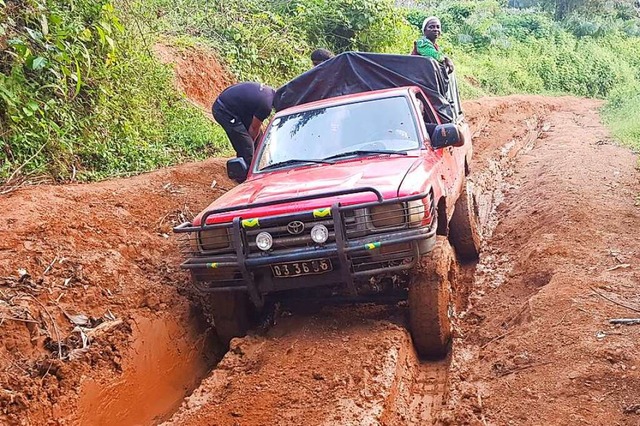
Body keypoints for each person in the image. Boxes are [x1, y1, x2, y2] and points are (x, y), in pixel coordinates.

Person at [212, 82, 275, 166]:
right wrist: (248, 144)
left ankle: (258, 166)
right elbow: (253, 129)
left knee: (259, 140)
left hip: (238, 108)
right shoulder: (266, 106)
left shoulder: (270, 92)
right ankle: (243, 174)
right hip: (223, 110)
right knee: (247, 146)